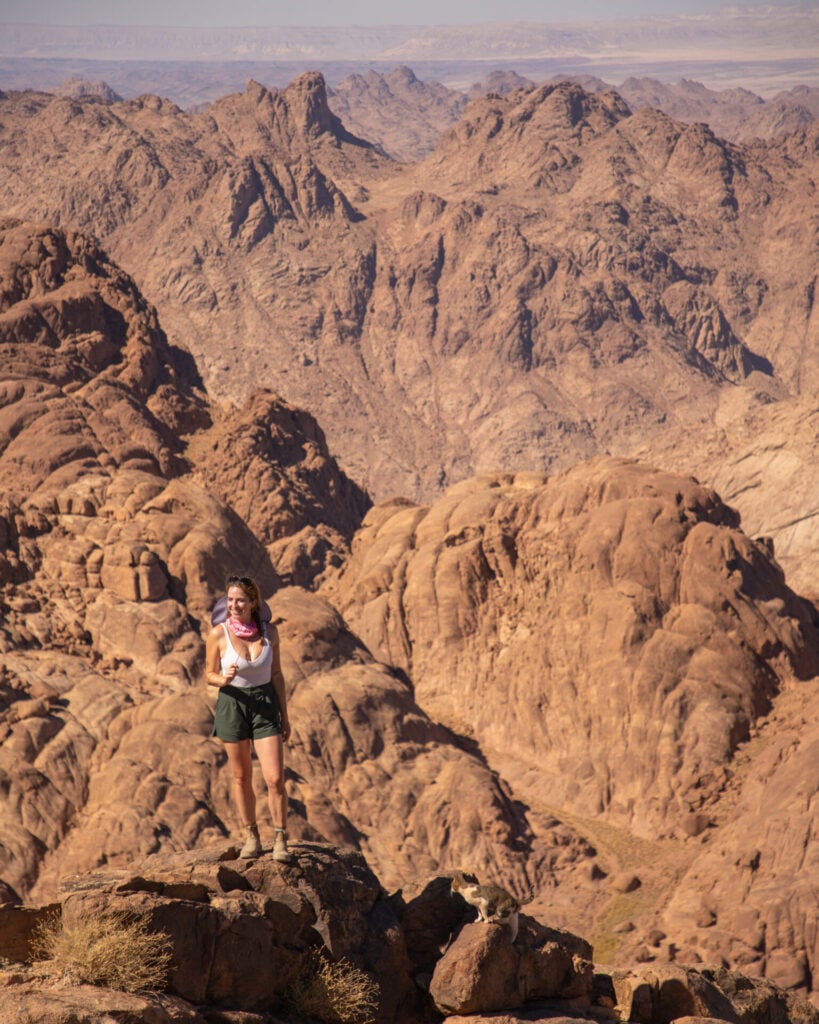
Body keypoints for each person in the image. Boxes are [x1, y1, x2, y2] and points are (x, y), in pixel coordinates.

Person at [205, 574, 294, 862]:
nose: (234, 605)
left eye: (240, 600)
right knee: (241, 776)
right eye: (230, 600)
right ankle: (251, 836)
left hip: (266, 705)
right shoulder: (218, 634)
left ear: (253, 602)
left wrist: (285, 714)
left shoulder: (271, 633)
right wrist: (223, 679)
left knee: (275, 778)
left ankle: (280, 839)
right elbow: (208, 674)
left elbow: (277, 674)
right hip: (233, 705)